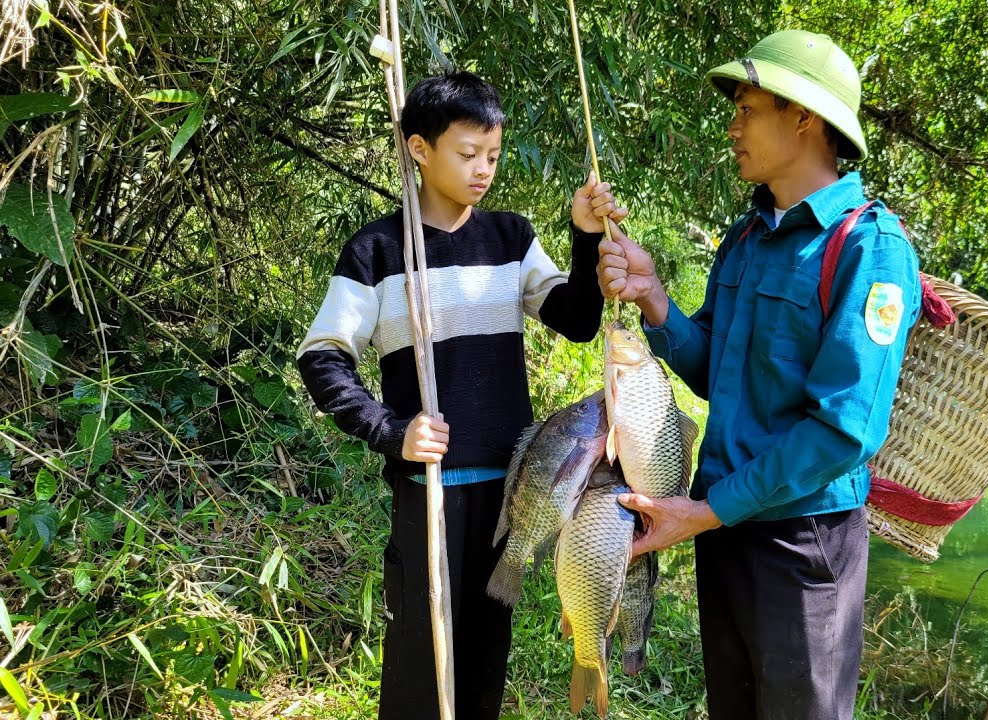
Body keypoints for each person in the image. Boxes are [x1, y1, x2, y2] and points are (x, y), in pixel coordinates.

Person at [596, 30, 922, 719]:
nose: (733, 127)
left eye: (747, 109)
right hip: (724, 529)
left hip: (804, 542)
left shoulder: (870, 248)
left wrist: (707, 511)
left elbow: (844, 432)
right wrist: (655, 300)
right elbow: (719, 372)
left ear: (802, 117)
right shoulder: (748, 237)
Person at [297, 71, 625, 720]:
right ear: (420, 149)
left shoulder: (509, 240)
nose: (484, 170)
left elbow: (578, 320)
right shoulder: (378, 251)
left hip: (509, 494)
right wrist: (391, 431)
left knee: (482, 660)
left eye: (493, 156)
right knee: (421, 664)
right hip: (430, 494)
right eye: (468, 153)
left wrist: (585, 237)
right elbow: (321, 356)